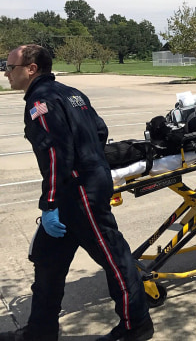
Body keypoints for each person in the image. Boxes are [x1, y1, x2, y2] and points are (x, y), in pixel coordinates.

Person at [0, 45, 153, 341]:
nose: (5, 72)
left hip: (79, 192)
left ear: (31, 69)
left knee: (114, 258)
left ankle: (136, 325)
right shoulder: (72, 93)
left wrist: (51, 203)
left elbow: (55, 154)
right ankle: (39, 332)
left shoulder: (40, 102)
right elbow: (100, 130)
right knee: (47, 261)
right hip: (80, 186)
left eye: (9, 66)